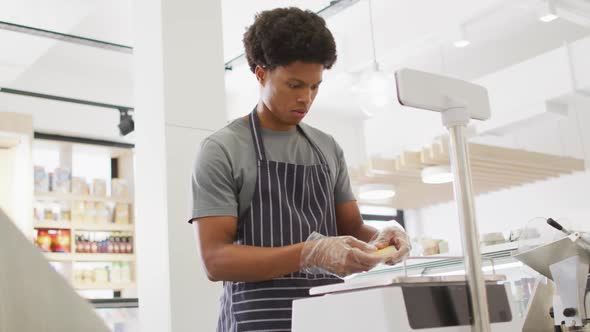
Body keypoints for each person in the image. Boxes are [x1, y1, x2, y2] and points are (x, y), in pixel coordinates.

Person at [189, 7, 411, 332]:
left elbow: (351, 228)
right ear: (261, 73)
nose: (305, 99)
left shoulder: (327, 148)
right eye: (294, 85)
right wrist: (310, 253)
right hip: (255, 322)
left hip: (327, 320)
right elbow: (216, 260)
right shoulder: (223, 149)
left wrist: (383, 239)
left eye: (314, 86)